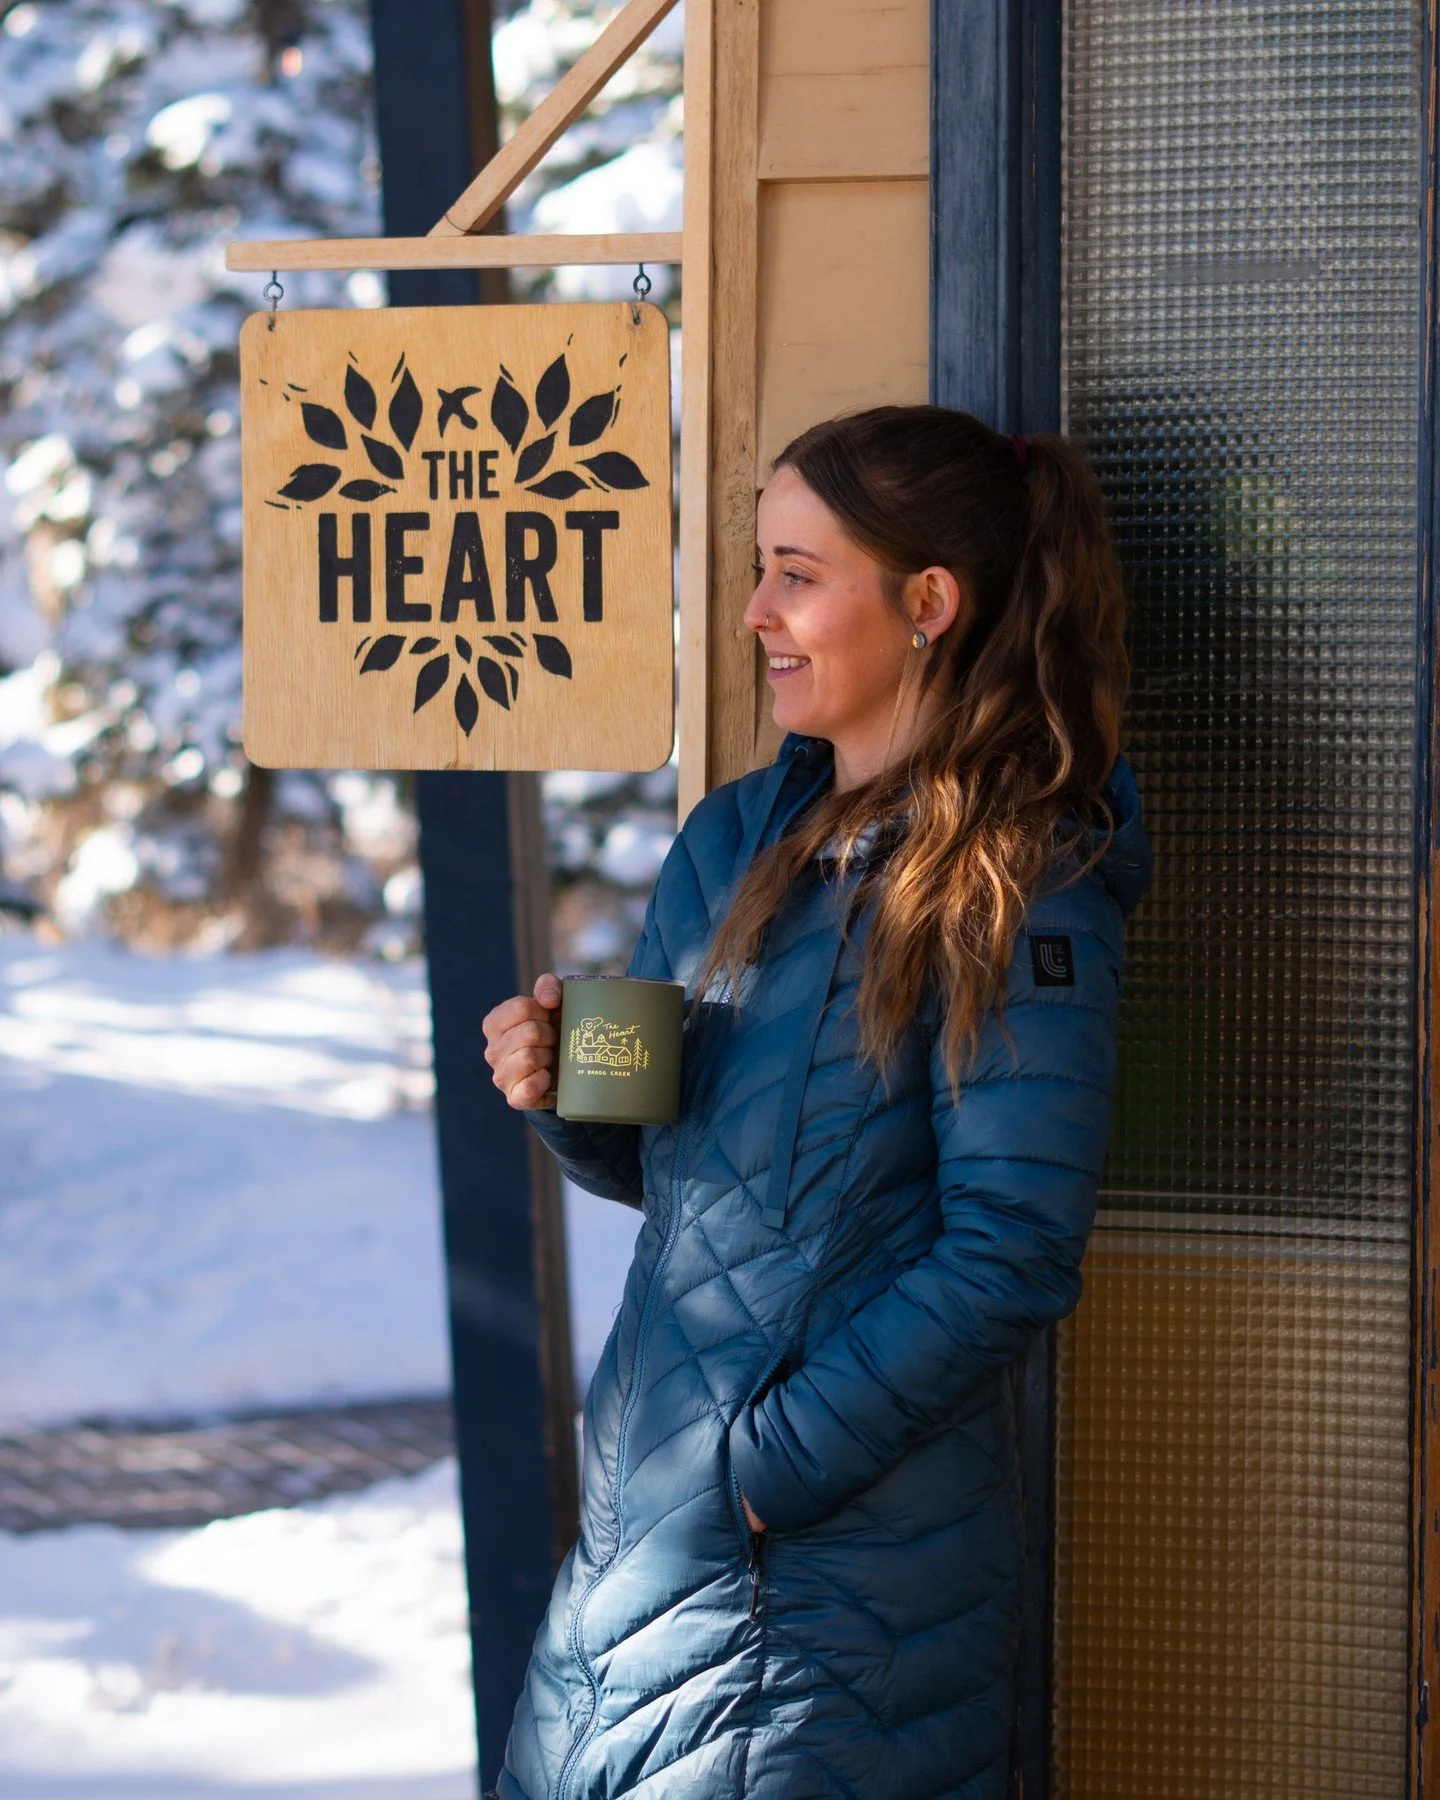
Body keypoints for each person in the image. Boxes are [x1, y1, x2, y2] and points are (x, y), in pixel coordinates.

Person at [482, 405, 1152, 1799]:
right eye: (759, 568)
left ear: (926, 604)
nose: (753, 613)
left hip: (830, 1594)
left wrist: (762, 1468)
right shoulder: (739, 836)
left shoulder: (1022, 885)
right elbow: (673, 1171)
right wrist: (561, 1088)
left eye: (796, 572)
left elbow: (1011, 1250)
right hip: (641, 1546)